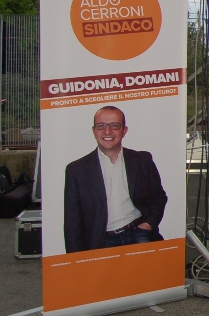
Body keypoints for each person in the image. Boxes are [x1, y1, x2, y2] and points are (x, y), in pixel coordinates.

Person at [63, 106, 168, 253]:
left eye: (114, 126)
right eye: (101, 126)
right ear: (94, 131)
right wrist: (75, 260)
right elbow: (72, 222)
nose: (107, 131)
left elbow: (159, 197)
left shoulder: (142, 160)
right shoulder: (76, 170)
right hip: (101, 242)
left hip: (140, 235)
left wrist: (148, 224)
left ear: (124, 131)